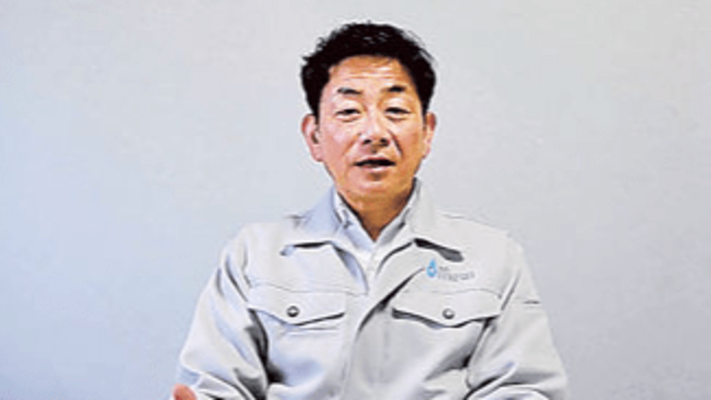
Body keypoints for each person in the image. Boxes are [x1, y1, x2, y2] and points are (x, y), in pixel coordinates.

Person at [173, 22, 567, 399]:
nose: (374, 132)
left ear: (427, 132)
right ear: (314, 136)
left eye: (395, 110)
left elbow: (524, 389)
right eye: (349, 112)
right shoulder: (256, 255)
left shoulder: (492, 257)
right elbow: (215, 386)